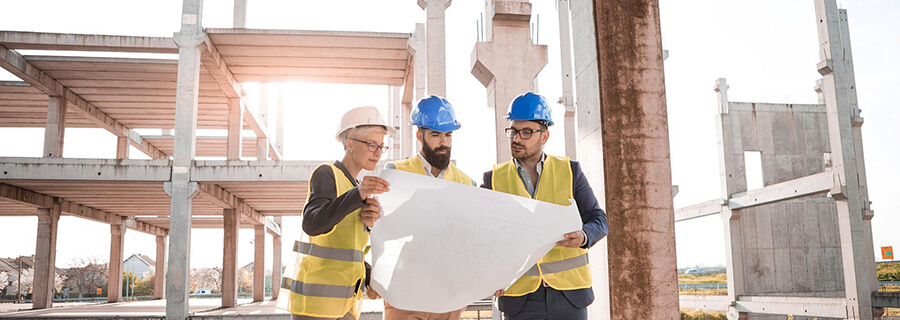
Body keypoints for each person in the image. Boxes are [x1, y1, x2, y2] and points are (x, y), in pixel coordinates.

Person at [481, 92, 609, 320]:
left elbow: (599, 220)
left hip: (570, 296)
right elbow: (480, 235)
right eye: (513, 131)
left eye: (526, 132)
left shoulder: (570, 171)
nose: (516, 138)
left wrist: (583, 236)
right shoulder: (493, 179)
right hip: (518, 299)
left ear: (545, 136)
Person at [283, 106, 393, 320]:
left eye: (381, 146)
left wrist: (368, 277)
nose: (377, 152)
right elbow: (313, 223)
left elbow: (347, 252)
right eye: (371, 144)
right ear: (349, 143)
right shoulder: (327, 174)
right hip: (314, 305)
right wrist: (357, 195)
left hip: (345, 305)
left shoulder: (357, 189)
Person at [382, 95, 476, 320]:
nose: (443, 142)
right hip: (405, 293)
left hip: (449, 296)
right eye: (435, 134)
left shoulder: (467, 183)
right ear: (419, 135)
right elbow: (381, 231)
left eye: (448, 135)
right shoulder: (396, 172)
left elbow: (471, 240)